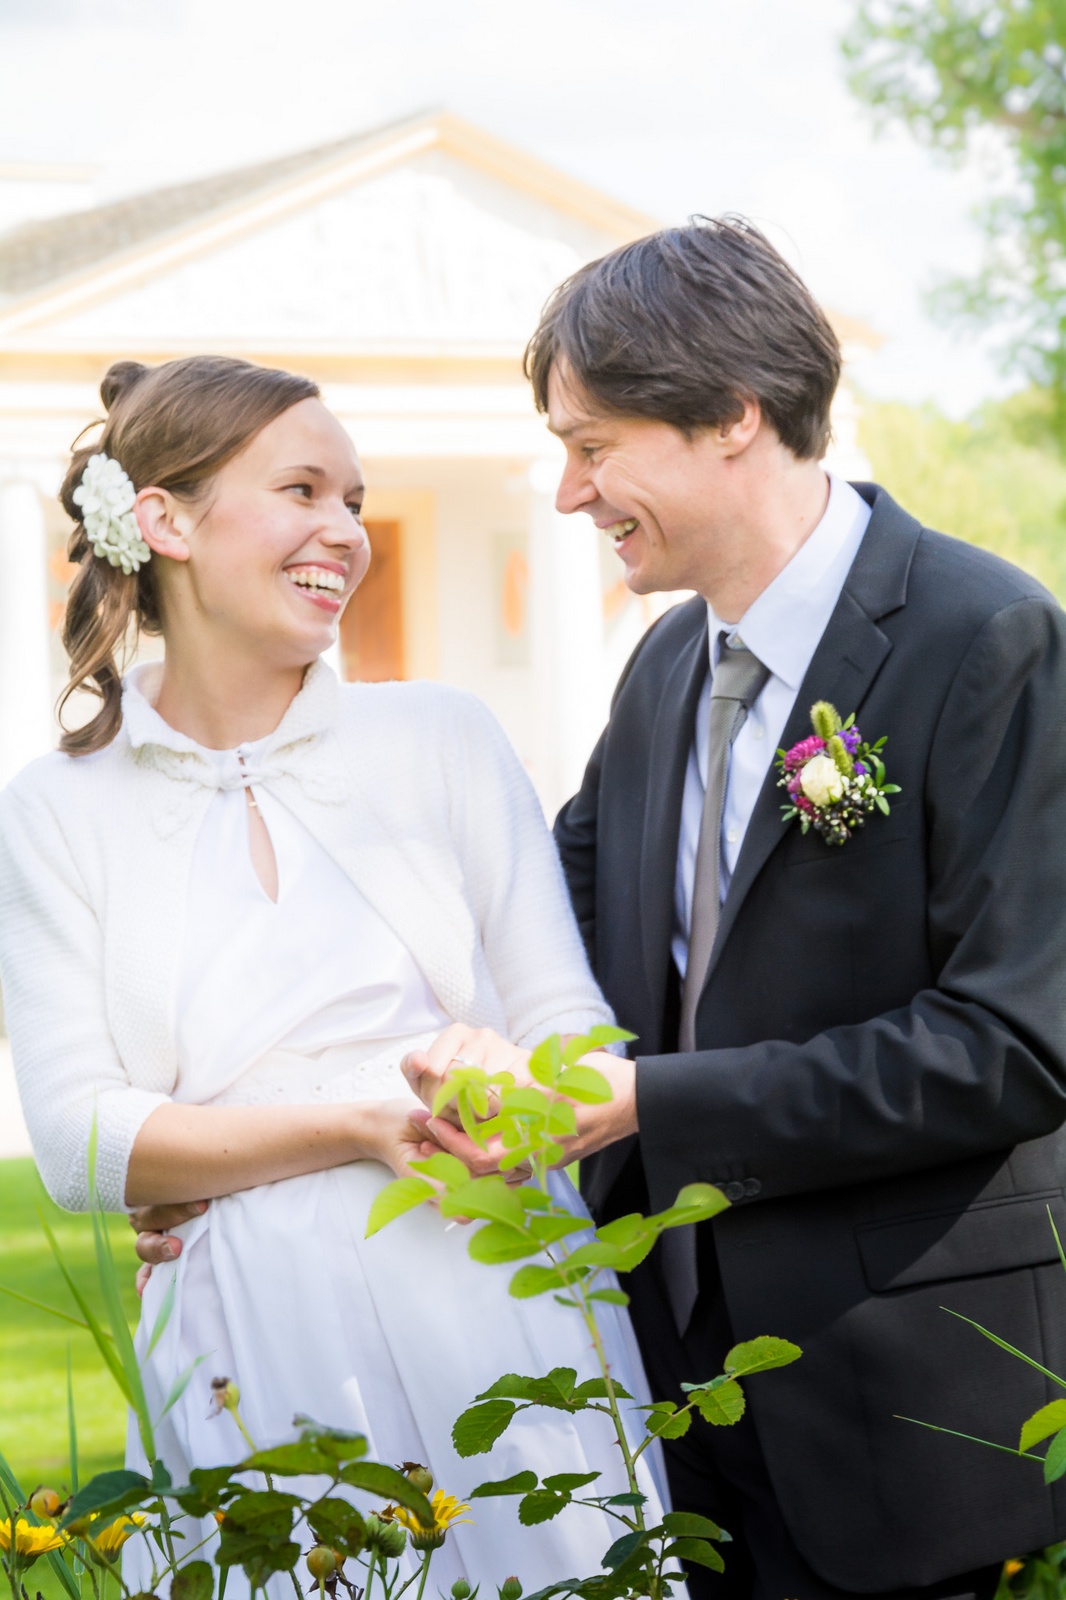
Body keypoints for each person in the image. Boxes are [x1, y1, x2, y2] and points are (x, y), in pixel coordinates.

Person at [385, 219, 1066, 1599]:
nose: (569, 494)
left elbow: (1012, 1043)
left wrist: (654, 1104)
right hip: (679, 1395)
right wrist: (259, 1141)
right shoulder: (659, 676)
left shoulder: (984, 636)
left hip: (913, 1416)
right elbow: (536, 927)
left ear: (732, 417)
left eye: (592, 446)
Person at [0, 355, 669, 1592]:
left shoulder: (442, 738)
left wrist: (504, 1072)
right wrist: (358, 1124)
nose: (344, 532)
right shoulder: (56, 809)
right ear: (164, 520)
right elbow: (85, 1140)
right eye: (302, 488)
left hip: (494, 1295)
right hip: (244, 1329)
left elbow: (576, 1034)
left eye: (355, 500)